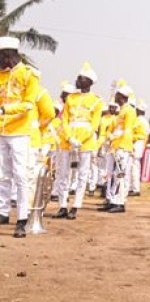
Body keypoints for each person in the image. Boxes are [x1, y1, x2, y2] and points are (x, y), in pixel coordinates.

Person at [0, 36, 42, 238]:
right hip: (2, 131)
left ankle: (22, 218)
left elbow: (28, 104)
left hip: (20, 132)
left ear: (9, 55)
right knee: (2, 174)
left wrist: (5, 109)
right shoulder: (1, 75)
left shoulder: (29, 75)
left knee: (20, 175)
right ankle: (3, 211)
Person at [52, 63, 103, 220]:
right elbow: (64, 120)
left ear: (88, 82)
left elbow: (94, 124)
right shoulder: (71, 98)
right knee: (62, 173)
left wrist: (80, 140)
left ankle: (76, 206)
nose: (77, 80)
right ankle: (62, 205)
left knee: (82, 174)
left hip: (85, 142)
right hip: (67, 140)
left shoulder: (96, 101)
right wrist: (70, 137)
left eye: (81, 78)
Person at [103, 84, 136, 213]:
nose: (115, 96)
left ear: (122, 96)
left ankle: (120, 202)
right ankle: (111, 200)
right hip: (115, 146)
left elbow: (127, 131)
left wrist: (121, 147)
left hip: (123, 147)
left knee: (120, 174)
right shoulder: (121, 111)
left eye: (117, 94)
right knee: (111, 174)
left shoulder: (129, 111)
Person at [128, 100, 149, 196]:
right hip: (139, 143)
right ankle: (133, 187)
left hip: (137, 142)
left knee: (134, 166)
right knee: (134, 166)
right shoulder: (144, 120)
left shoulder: (140, 120)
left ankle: (135, 188)